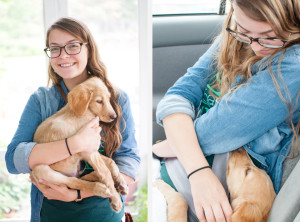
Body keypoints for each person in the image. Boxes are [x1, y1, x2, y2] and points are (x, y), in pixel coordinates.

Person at [154, 0, 300, 221]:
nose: (255, 46)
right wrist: (193, 166)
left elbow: (213, 131)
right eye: (244, 32)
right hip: (183, 169)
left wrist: (171, 147)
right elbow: (180, 92)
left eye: (271, 37)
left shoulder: (293, 67)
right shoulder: (237, 33)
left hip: (215, 192)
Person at [5, 17, 140, 222]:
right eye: (55, 48)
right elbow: (13, 161)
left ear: (89, 49)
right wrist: (74, 144)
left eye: (73, 46)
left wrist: (77, 193)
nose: (63, 55)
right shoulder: (41, 101)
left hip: (103, 214)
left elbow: (130, 162)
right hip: (53, 214)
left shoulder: (117, 98)